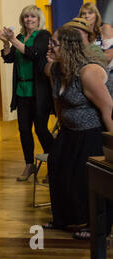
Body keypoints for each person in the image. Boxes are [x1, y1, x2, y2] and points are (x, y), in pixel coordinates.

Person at [44, 26, 113, 240]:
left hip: (91, 132)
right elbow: (58, 102)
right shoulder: (55, 69)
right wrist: (62, 128)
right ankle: (65, 219)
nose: (50, 46)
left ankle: (95, 225)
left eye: (54, 43)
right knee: (56, 166)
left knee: (85, 177)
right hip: (69, 130)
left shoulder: (87, 71)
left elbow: (107, 108)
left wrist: (112, 144)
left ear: (68, 46)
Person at [0, 5, 54, 182]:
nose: (29, 19)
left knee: (41, 129)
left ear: (38, 19)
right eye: (26, 16)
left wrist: (12, 40)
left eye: (33, 17)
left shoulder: (44, 35)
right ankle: (29, 164)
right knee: (23, 130)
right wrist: (5, 42)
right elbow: (8, 58)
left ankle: (54, 163)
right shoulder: (19, 37)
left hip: (39, 91)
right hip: (22, 91)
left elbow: (33, 53)